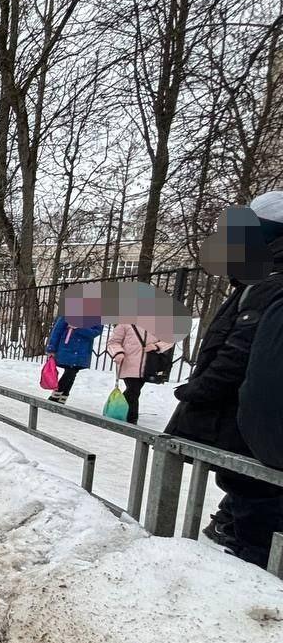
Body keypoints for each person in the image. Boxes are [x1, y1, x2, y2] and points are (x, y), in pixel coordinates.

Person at [168, 191, 283, 567]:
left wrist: (197, 392)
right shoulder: (261, 282)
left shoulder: (269, 286)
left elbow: (239, 353)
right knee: (246, 492)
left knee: (257, 504)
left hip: (254, 427)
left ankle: (252, 578)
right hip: (253, 427)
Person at [106, 325, 172, 424]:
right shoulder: (125, 323)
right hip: (129, 362)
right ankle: (131, 419)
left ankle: (120, 410)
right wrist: (118, 352)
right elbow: (113, 342)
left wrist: (157, 346)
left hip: (149, 365)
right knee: (133, 389)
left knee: (134, 391)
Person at [44, 314, 102, 404]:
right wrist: (52, 348)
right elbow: (57, 331)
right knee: (70, 371)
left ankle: (60, 397)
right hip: (67, 347)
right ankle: (57, 397)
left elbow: (96, 332)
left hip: (82, 350)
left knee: (73, 372)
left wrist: (79, 328)